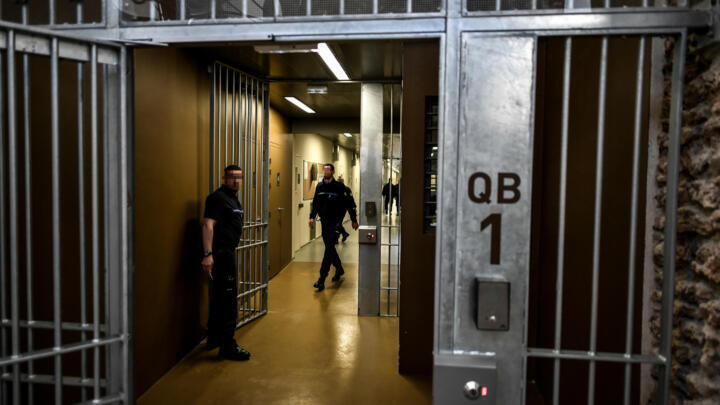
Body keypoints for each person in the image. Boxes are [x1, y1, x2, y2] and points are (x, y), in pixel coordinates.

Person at [201, 165, 251, 361]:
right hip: (220, 255)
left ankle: (214, 338)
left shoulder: (232, 198)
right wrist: (208, 254)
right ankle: (228, 346)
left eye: (239, 177)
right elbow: (208, 225)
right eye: (232, 177)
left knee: (219, 297)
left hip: (227, 252)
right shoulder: (217, 198)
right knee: (229, 301)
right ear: (224, 178)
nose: (236, 181)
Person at [308, 164, 359, 291]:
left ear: (332, 172)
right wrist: (311, 217)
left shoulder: (340, 187)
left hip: (336, 223)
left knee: (328, 249)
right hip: (324, 223)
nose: (325, 172)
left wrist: (353, 220)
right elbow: (316, 203)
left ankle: (321, 279)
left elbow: (349, 204)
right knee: (329, 249)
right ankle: (340, 269)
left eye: (327, 170)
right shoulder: (319, 187)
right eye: (324, 170)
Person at [336, 176, 356, 243]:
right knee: (336, 224)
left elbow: (351, 199)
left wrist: (354, 207)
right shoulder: (334, 189)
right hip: (335, 209)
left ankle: (340, 235)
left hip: (342, 209)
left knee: (337, 224)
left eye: (340, 182)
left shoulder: (347, 189)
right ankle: (343, 234)